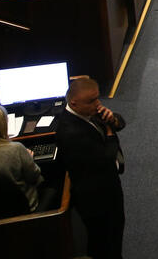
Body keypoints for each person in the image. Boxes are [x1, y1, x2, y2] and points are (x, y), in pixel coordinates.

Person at [55, 77, 127, 259]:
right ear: (74, 103)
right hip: (97, 198)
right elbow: (106, 157)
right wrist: (109, 132)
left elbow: (121, 123)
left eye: (97, 98)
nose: (97, 104)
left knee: (115, 234)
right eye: (91, 101)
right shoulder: (70, 132)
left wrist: (113, 120)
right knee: (105, 242)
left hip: (108, 186)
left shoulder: (87, 111)